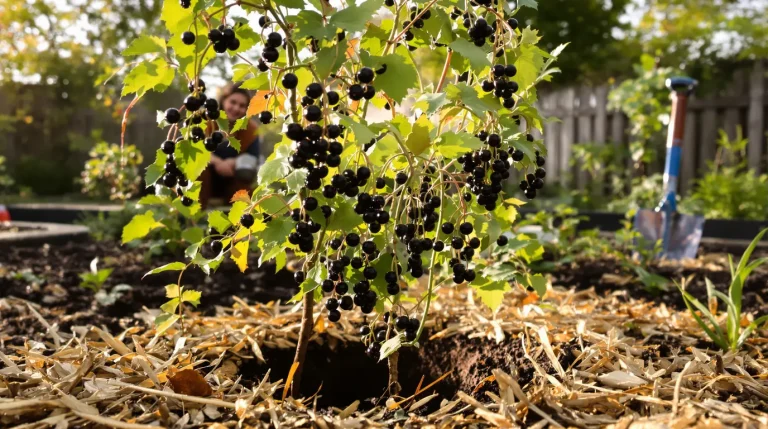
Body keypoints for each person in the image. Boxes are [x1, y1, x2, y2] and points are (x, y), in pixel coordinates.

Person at [199, 83, 262, 208]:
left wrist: (232, 162)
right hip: (206, 178)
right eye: (232, 102)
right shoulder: (205, 121)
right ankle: (194, 216)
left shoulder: (251, 129)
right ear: (223, 101)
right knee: (200, 170)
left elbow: (253, 157)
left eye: (242, 106)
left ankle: (239, 219)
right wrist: (217, 162)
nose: (236, 108)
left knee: (246, 180)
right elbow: (194, 148)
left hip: (232, 178)